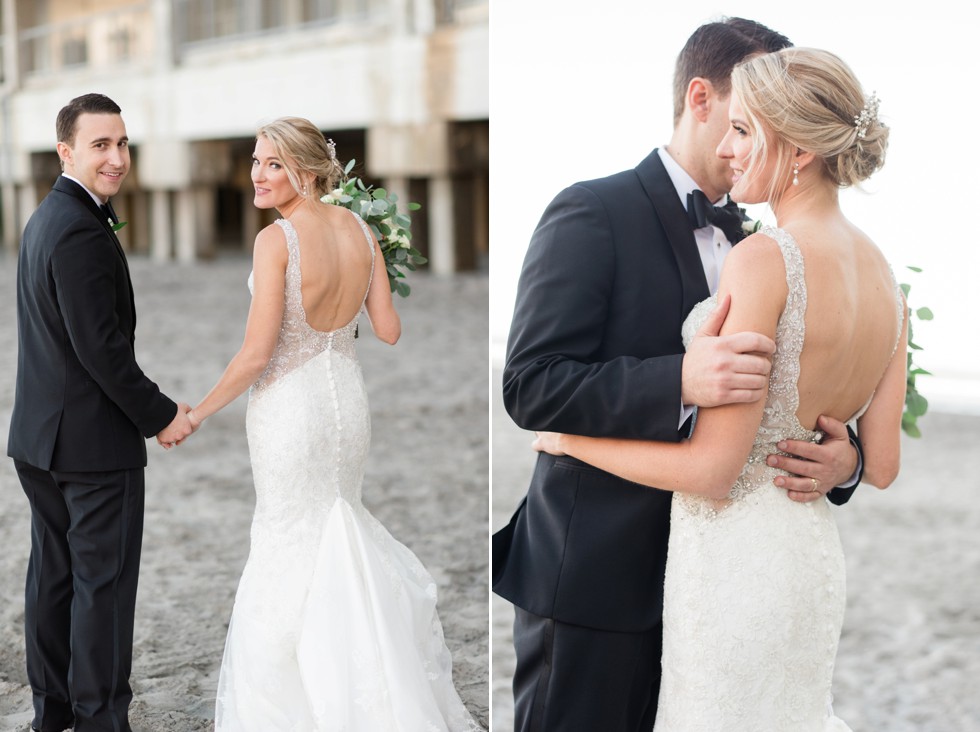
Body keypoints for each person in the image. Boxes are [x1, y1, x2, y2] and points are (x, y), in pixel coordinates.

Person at [492, 19, 867, 732]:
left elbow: (804, 389)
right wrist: (678, 380)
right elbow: (530, 384)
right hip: (596, 584)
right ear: (701, 97)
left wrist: (849, 458)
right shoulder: (591, 211)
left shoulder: (768, 247)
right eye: (750, 115)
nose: (758, 136)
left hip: (720, 591)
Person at [178, 117, 479, 730]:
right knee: (337, 523)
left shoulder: (275, 240)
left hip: (291, 406)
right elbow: (390, 332)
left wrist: (198, 412)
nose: (258, 175)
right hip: (346, 399)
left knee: (289, 540)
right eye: (257, 162)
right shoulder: (363, 230)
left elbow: (257, 354)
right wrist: (367, 272)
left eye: (273, 164)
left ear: (308, 172)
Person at [7, 93, 194, 732]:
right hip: (89, 448)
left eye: (121, 143)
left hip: (39, 440)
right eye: (100, 145)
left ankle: (52, 714)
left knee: (54, 581)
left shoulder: (44, 219)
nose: (117, 158)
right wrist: (161, 413)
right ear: (66, 151)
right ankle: (99, 720)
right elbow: (101, 349)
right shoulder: (80, 229)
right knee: (102, 589)